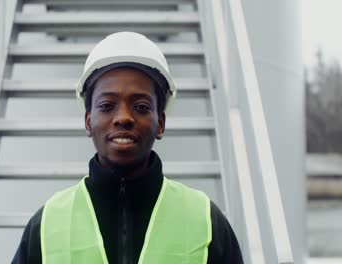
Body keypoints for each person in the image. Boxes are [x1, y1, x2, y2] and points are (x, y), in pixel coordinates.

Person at [12, 32, 243, 264]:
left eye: (141, 107)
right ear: (88, 121)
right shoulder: (47, 224)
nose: (123, 117)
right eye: (107, 105)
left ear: (160, 124)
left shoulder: (205, 221)